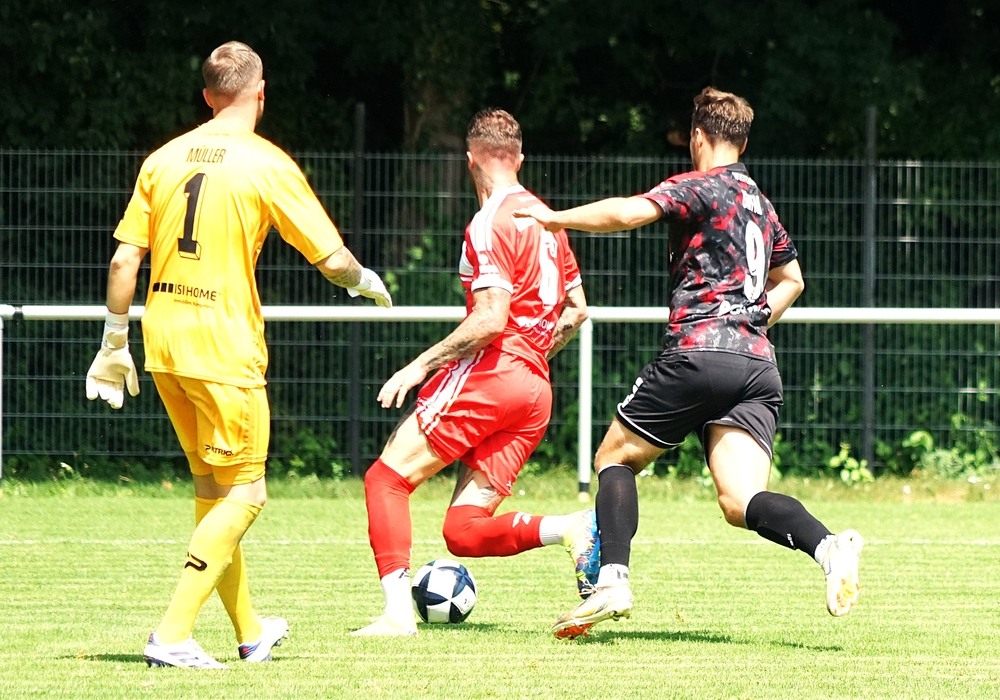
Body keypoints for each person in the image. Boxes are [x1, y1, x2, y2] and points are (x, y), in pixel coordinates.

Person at [513, 87, 864, 639]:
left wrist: (555, 219)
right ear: (744, 141)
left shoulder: (700, 186)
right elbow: (792, 279)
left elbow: (629, 212)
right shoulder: (759, 204)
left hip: (698, 353)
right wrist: (749, 323)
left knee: (614, 458)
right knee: (740, 500)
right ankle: (828, 547)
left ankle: (613, 580)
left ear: (698, 136)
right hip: (756, 366)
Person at [85, 41, 392, 668]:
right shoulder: (267, 163)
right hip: (224, 347)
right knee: (247, 495)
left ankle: (250, 631)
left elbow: (124, 260)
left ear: (207, 96)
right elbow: (332, 260)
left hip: (163, 342)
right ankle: (172, 635)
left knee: (214, 490)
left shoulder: (162, 158)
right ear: (261, 92)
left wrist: (114, 340)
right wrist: (364, 281)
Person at [351, 108, 596, 637]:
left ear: (470, 160)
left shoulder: (489, 221)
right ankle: (571, 528)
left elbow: (490, 319)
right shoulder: (547, 220)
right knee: (462, 531)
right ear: (520, 157)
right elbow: (577, 310)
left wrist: (418, 365)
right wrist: (533, 357)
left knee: (385, 479)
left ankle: (397, 615)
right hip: (535, 389)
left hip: (493, 373)